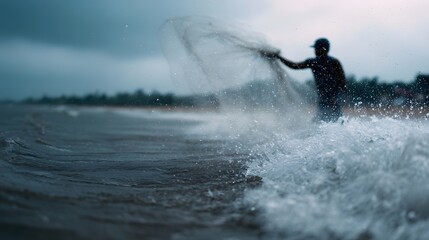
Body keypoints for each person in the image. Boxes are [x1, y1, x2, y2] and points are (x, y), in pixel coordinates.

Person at [264, 38, 347, 122]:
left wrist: (336, 98)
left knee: (324, 123)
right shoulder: (316, 62)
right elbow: (294, 65)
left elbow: (343, 83)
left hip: (332, 101)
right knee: (330, 123)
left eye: (316, 48)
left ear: (323, 49)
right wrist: (279, 57)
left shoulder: (331, 62)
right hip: (324, 100)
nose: (314, 50)